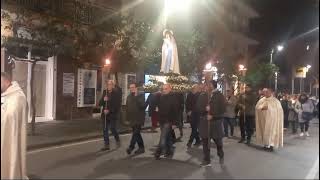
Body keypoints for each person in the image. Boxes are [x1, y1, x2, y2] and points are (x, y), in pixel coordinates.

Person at [1, 72, 29, 179]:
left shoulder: (18, 97)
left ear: (6, 81)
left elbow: (10, 116)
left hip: (9, 135)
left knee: (10, 156)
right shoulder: (5, 95)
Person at [199, 80, 226, 167]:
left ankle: (220, 153)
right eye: (205, 85)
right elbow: (198, 107)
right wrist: (204, 109)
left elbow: (222, 110)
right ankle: (207, 160)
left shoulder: (220, 96)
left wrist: (213, 116)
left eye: (207, 85)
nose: (205, 87)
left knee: (218, 141)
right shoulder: (203, 96)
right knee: (205, 141)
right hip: (205, 122)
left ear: (212, 86)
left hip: (215, 123)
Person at [154, 84, 178, 160]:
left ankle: (158, 152)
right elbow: (159, 108)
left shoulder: (173, 98)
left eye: (166, 88)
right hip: (162, 120)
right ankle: (169, 151)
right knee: (168, 136)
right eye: (163, 89)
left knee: (163, 137)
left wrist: (174, 123)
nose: (164, 90)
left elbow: (175, 111)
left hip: (169, 120)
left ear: (170, 89)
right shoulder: (161, 97)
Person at [99, 80, 121, 151]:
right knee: (105, 129)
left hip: (112, 114)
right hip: (105, 115)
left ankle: (117, 139)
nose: (109, 86)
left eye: (110, 84)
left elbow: (117, 105)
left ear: (113, 85)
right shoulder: (105, 92)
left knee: (112, 128)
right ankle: (107, 145)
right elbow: (100, 103)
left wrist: (109, 110)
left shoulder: (116, 93)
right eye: (108, 84)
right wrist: (103, 99)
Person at [126, 83, 146, 155]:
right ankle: (141, 147)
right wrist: (127, 119)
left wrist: (136, 96)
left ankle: (131, 147)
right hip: (132, 119)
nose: (132, 89)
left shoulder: (141, 96)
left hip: (139, 118)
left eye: (133, 87)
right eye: (130, 87)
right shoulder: (128, 97)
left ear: (136, 88)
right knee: (137, 134)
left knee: (135, 133)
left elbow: (143, 106)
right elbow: (127, 108)